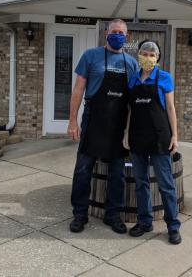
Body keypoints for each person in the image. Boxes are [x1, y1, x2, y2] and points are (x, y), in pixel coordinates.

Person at [68, 19, 138, 234]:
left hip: (118, 122)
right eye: (114, 31)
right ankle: (80, 213)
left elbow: (134, 100)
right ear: (106, 33)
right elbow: (78, 90)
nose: (117, 35)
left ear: (126, 37)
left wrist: (131, 129)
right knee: (83, 169)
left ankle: (112, 214)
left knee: (117, 172)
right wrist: (72, 121)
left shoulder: (131, 63)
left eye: (121, 33)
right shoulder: (90, 56)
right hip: (93, 118)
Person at [123, 40, 182, 244]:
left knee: (166, 185)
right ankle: (145, 221)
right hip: (137, 137)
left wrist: (174, 136)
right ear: (138, 55)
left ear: (157, 58)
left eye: (152, 54)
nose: (147, 57)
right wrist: (126, 134)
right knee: (141, 183)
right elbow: (130, 110)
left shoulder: (164, 78)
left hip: (159, 138)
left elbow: (171, 108)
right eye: (144, 53)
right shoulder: (133, 80)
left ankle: (173, 225)